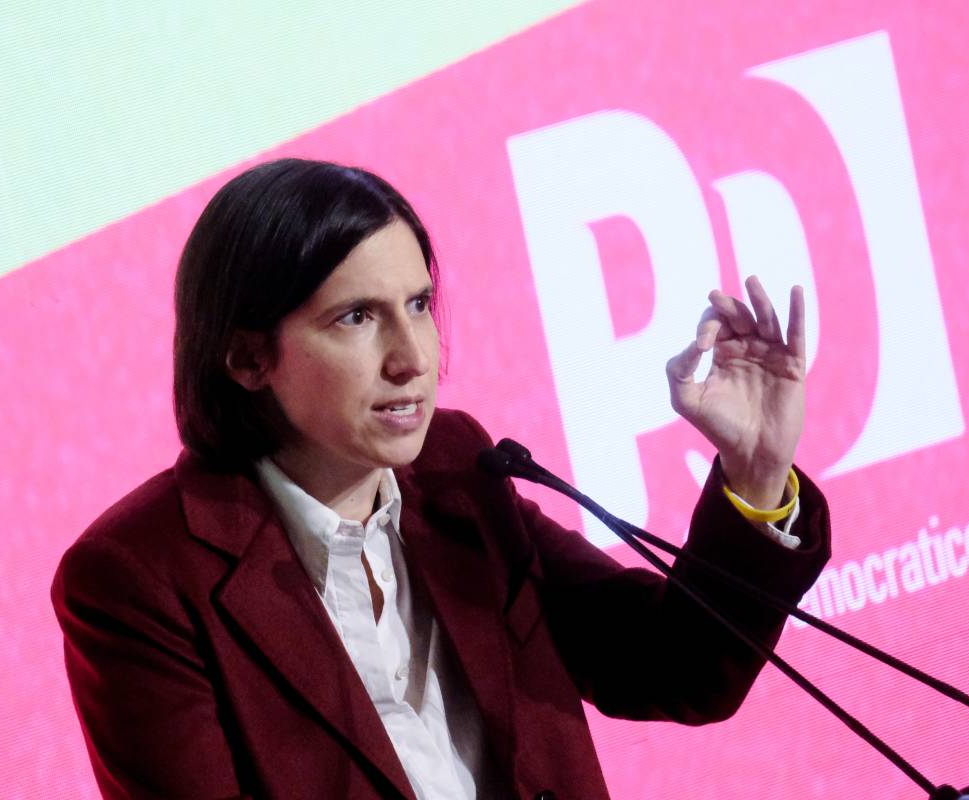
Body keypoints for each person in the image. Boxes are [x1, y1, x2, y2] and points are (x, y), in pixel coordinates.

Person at [51, 158, 830, 799]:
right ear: (249, 357)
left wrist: (757, 470)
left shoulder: (458, 474)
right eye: (357, 317)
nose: (413, 357)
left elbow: (678, 667)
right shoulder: (140, 578)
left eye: (419, 303)